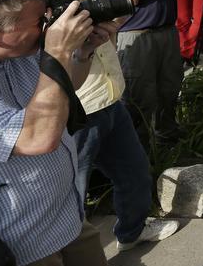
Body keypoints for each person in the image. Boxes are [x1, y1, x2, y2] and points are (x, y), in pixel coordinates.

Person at [0, 0, 117, 266]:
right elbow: (38, 138)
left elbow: (63, 90)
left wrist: (82, 52)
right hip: (20, 247)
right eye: (37, 24)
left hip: (68, 219)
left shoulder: (17, 49)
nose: (47, 29)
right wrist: (56, 51)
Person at [73, 36, 180, 253]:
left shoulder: (90, 1)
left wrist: (112, 25)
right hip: (79, 112)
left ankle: (132, 232)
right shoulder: (46, 13)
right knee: (73, 194)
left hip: (110, 98)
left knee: (135, 172)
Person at [117, 0, 187, 145]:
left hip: (166, 31)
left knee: (170, 87)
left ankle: (167, 137)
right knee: (140, 95)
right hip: (136, 35)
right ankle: (141, 147)